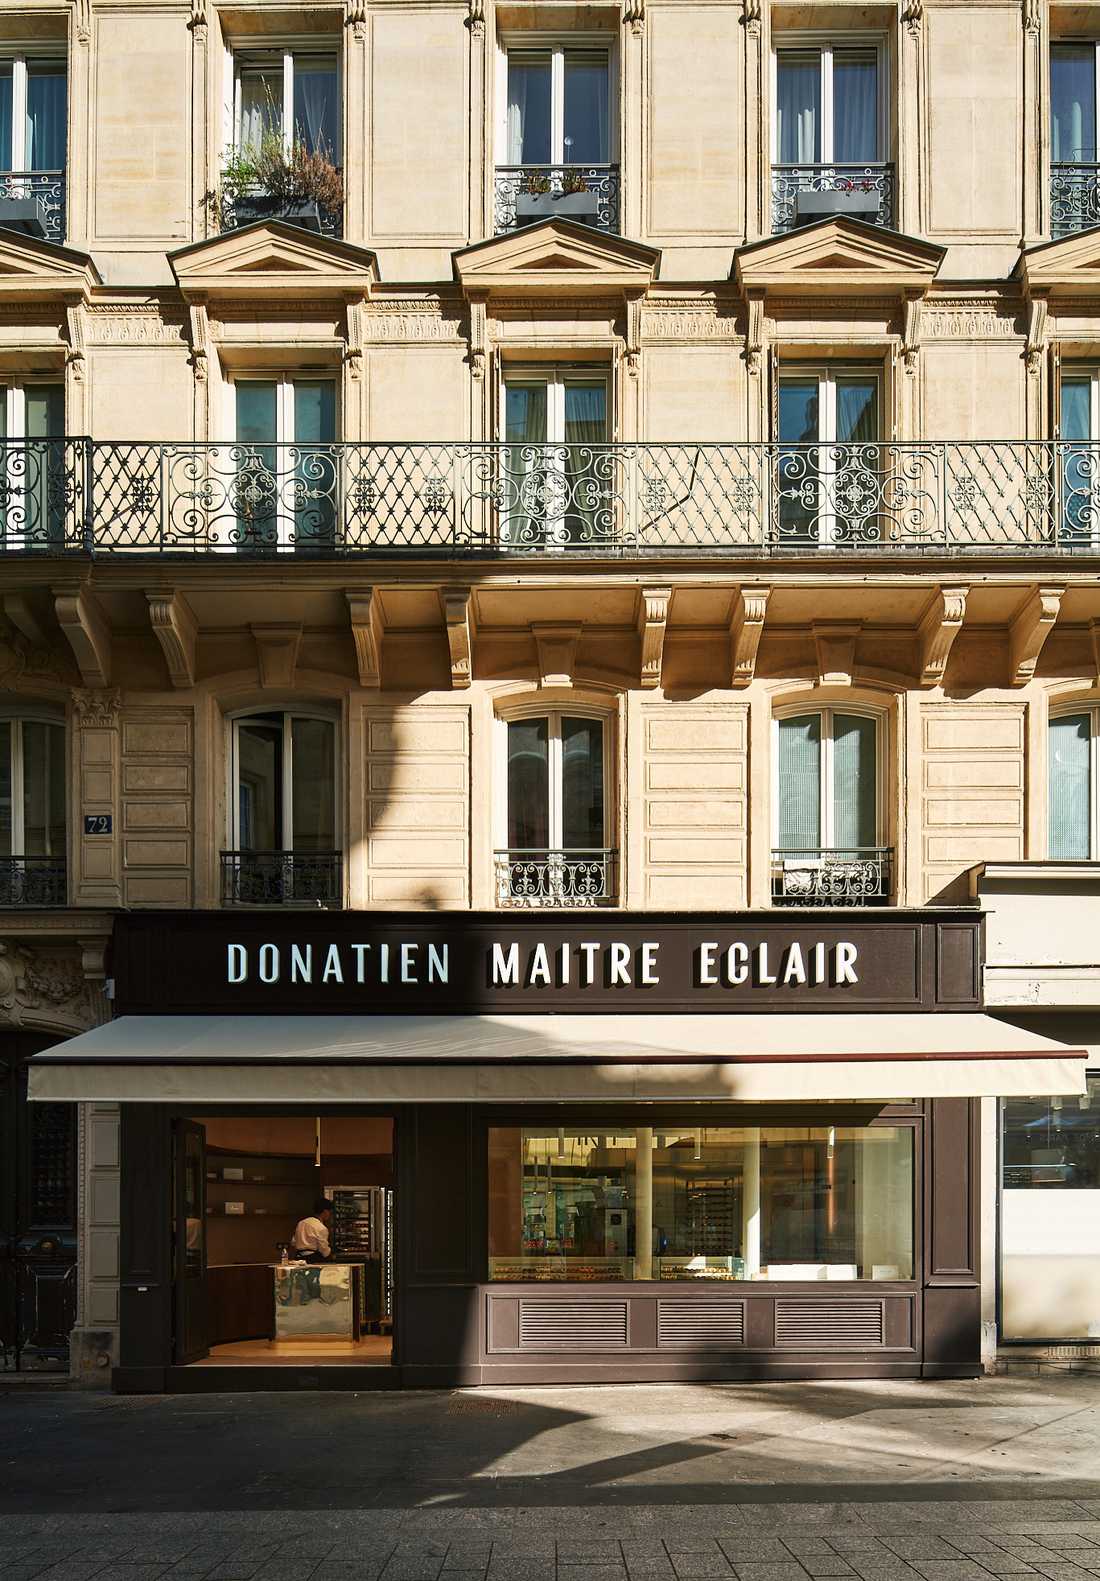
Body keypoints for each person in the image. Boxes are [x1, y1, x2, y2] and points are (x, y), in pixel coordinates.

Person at [292, 1198, 334, 1263]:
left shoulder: (301, 1223)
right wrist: (331, 1255)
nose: (330, 1215)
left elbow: (293, 1242)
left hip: (298, 1258)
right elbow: (324, 1250)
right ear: (325, 1211)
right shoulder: (321, 1227)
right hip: (313, 1259)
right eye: (330, 1212)